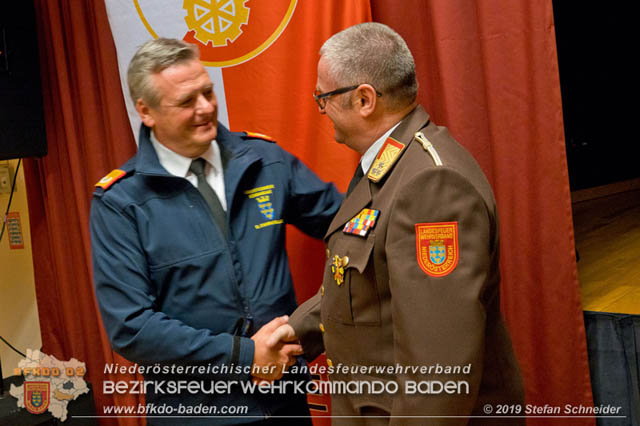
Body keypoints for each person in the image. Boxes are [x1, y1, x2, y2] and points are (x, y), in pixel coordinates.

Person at [269, 23, 525, 425]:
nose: (320, 109)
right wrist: (296, 332)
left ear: (364, 99)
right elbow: (367, 283)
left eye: (323, 97)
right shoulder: (390, 164)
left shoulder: (430, 185)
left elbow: (438, 371)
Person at [90, 38, 342, 425]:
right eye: (187, 101)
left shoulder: (265, 161)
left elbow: (347, 223)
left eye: (207, 92)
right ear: (146, 111)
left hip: (284, 402)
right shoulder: (121, 203)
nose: (206, 108)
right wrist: (245, 356)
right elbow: (132, 327)